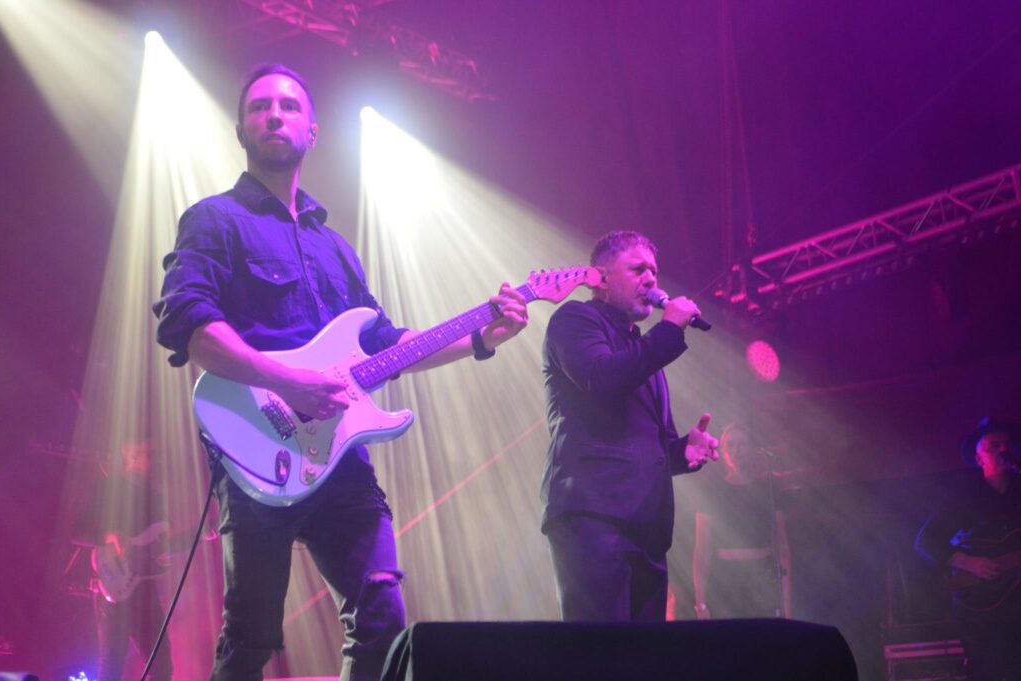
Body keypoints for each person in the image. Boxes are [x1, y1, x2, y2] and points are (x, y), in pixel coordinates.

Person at [153, 64, 528, 681]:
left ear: (313, 130)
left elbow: (386, 343)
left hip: (341, 459)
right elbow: (190, 326)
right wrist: (286, 382)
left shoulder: (335, 247)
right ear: (241, 130)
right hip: (258, 452)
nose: (275, 115)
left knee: (382, 616)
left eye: (289, 106)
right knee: (251, 640)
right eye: (260, 107)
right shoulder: (214, 219)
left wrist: (480, 337)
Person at [540, 230, 718, 622]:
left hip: (647, 528)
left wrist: (683, 450)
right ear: (601, 278)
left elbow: (651, 444)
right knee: (601, 651)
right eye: (638, 269)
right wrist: (669, 330)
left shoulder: (642, 349)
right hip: (593, 515)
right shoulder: (575, 320)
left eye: (654, 270)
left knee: (644, 654)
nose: (651, 279)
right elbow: (602, 378)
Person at [915, 417, 1021, 681]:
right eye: (993, 446)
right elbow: (925, 540)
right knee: (988, 669)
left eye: (1007, 445)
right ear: (978, 458)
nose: (1003, 450)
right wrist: (966, 562)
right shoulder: (964, 496)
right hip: (980, 604)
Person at [72, 439, 174, 681]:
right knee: (112, 669)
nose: (156, 461)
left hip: (145, 591)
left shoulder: (156, 498)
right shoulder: (107, 488)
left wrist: (197, 536)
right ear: (131, 455)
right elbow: (76, 530)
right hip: (113, 589)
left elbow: (160, 547)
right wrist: (108, 535)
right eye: (150, 454)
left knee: (162, 667)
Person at [691, 423, 791, 620]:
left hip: (763, 577)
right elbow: (702, 550)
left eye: (742, 444)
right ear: (723, 451)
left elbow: (783, 549)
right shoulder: (712, 490)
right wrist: (700, 604)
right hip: (725, 580)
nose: (737, 450)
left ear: (753, 448)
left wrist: (787, 607)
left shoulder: (769, 488)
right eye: (731, 445)